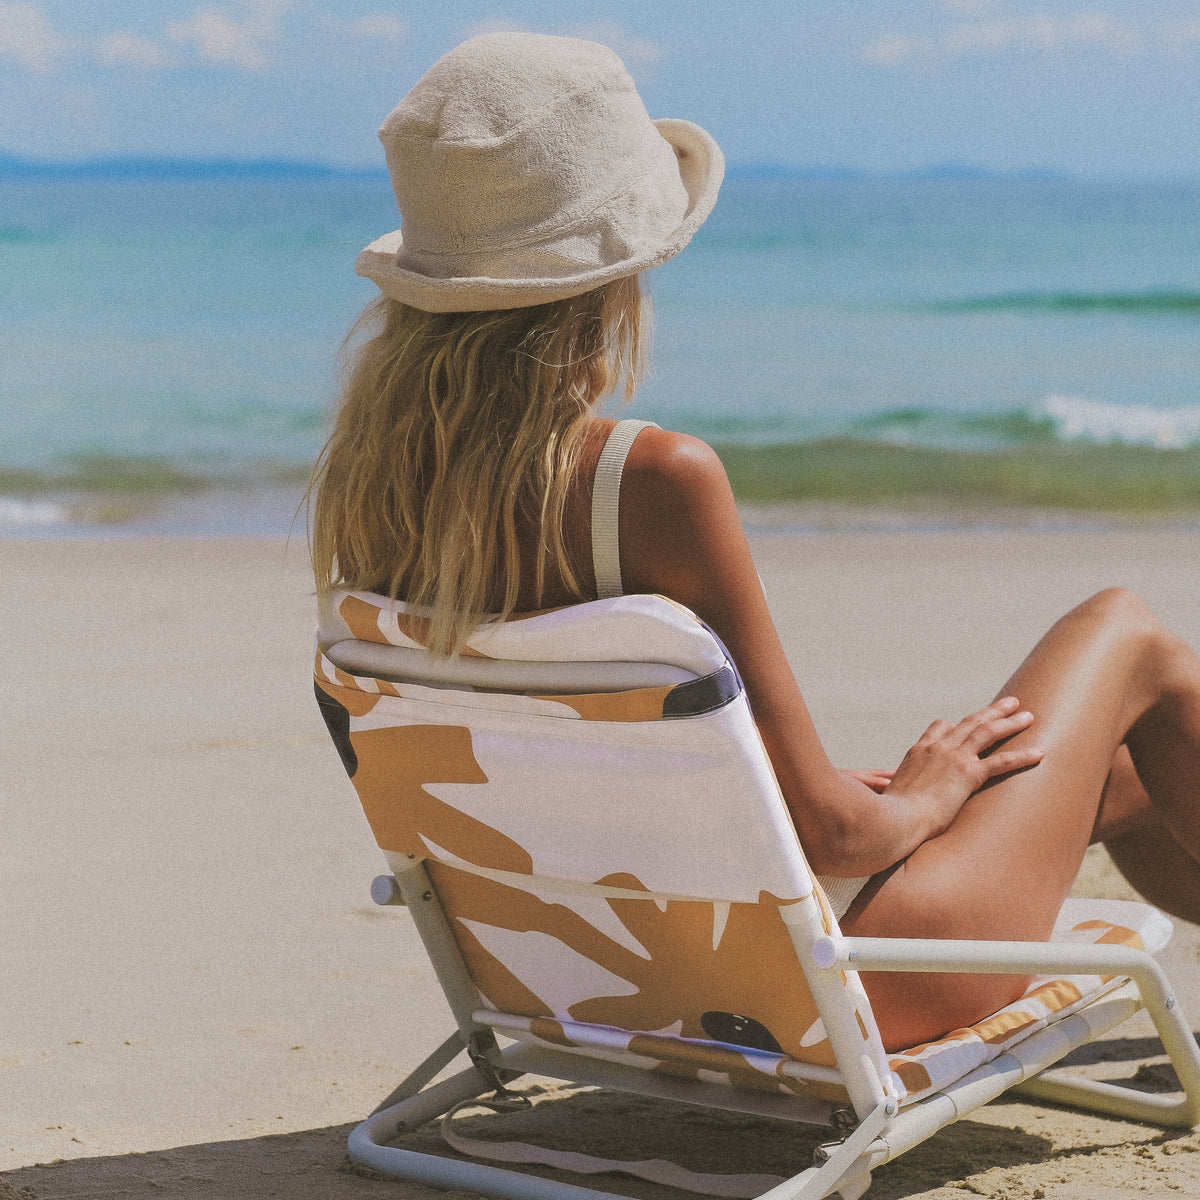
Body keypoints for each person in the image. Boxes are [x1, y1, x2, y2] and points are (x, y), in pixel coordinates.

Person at [312, 32, 1200, 1051]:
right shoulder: (649, 481)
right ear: (613, 276)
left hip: (602, 980)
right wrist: (926, 792)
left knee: (1117, 779)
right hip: (842, 990)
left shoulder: (378, 491)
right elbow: (836, 837)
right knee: (1126, 633)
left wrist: (805, 790)